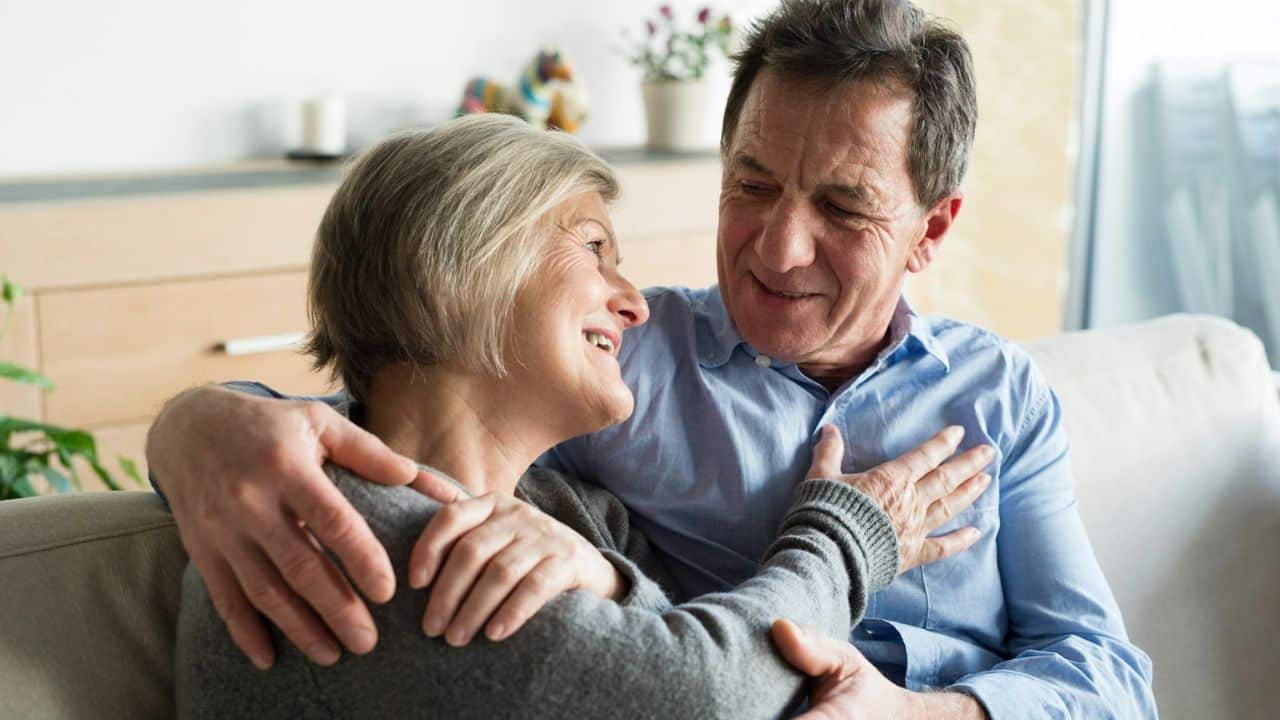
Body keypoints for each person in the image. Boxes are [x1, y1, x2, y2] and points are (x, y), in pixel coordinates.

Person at [149, 1, 1158, 717]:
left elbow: (1107, 676)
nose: (774, 249)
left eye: (843, 208)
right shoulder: (624, 368)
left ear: (931, 229)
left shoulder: (999, 394)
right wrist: (196, 422)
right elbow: (396, 389)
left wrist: (923, 716)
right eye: (750, 185)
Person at [174, 112, 993, 719]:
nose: (634, 303)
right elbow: (713, 696)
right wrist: (848, 539)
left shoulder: (561, 512)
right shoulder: (344, 533)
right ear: (462, 268)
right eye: (595, 248)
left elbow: (670, 634)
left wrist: (605, 574)